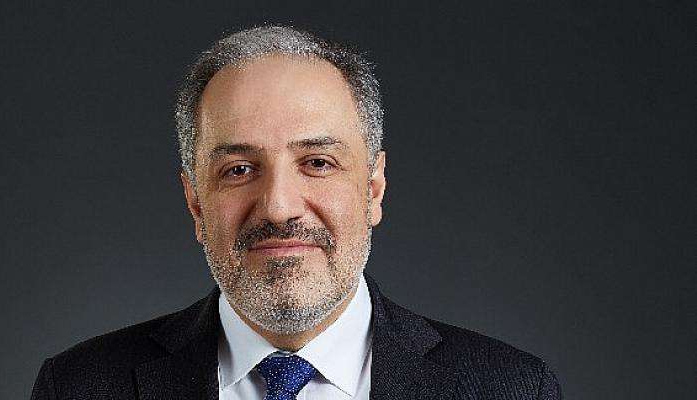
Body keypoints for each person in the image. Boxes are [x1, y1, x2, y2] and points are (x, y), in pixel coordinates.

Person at [30, 25, 561, 400]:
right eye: (239, 169)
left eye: (317, 163)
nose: (279, 206)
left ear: (373, 188)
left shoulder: (511, 389)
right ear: (195, 202)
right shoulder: (78, 388)